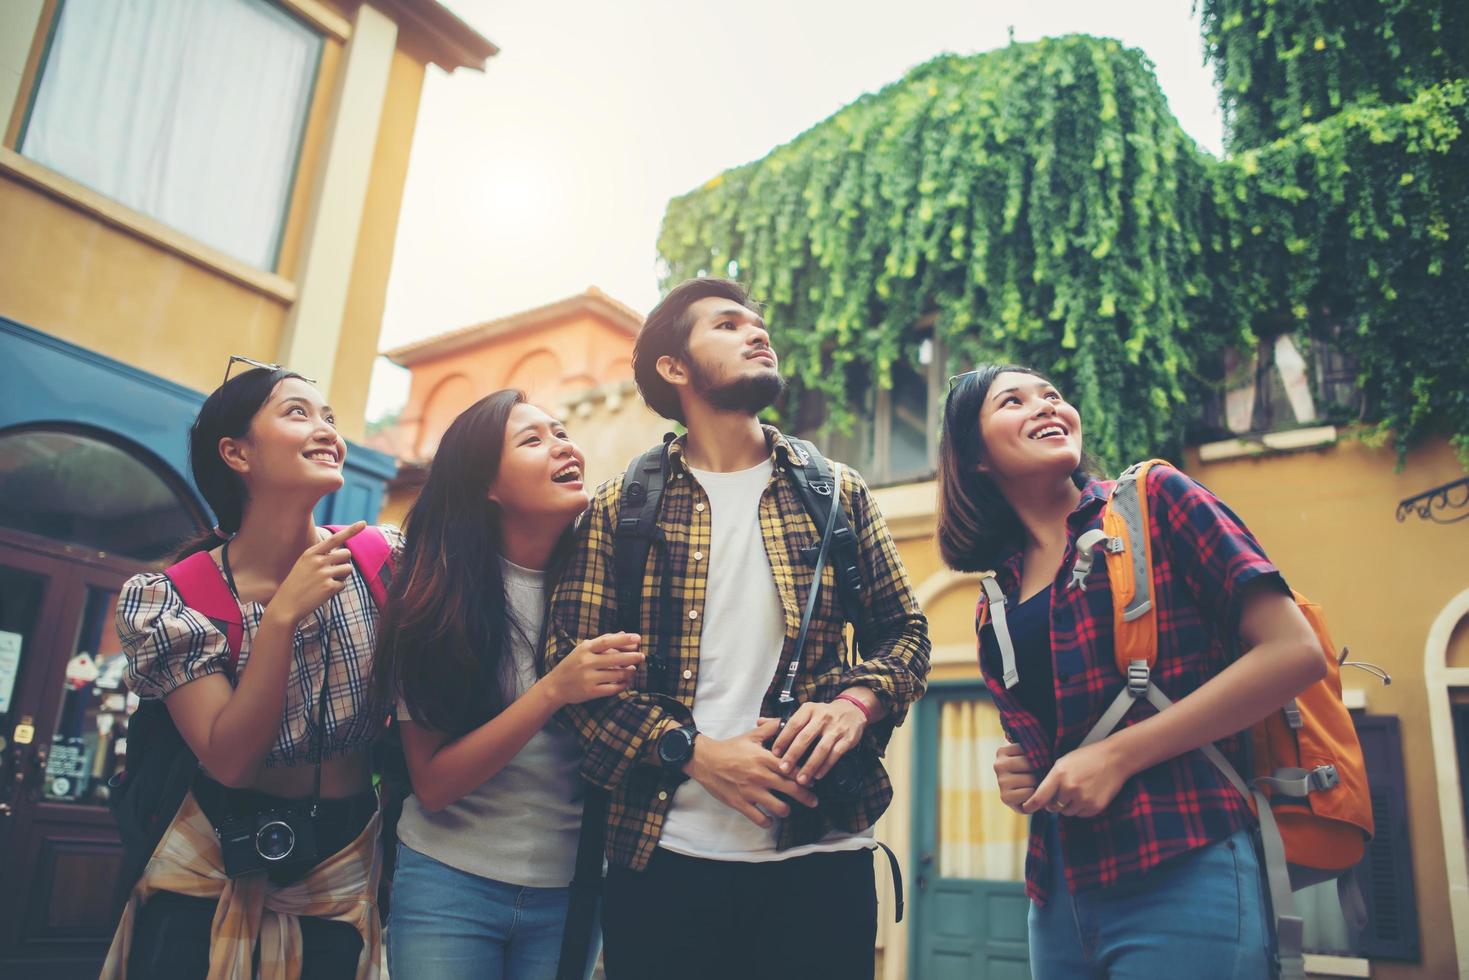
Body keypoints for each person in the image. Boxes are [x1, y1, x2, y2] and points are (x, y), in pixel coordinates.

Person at [546, 278, 931, 980]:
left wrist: (856, 703)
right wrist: (689, 752)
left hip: (823, 856)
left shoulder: (834, 491)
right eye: (727, 325)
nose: (757, 332)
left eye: (758, 323)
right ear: (674, 367)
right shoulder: (620, 509)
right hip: (664, 862)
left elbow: (904, 633)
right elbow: (572, 676)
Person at [935, 363, 1328, 978]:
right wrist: (1025, 775)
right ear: (975, 457)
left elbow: (1294, 652)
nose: (1045, 406)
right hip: (1057, 892)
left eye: (1053, 395)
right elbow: (1061, 743)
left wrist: (1116, 757)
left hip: (1185, 860)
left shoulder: (1156, 500)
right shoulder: (995, 601)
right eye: (1012, 401)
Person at [105, 363, 396, 977]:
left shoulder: (381, 558)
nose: (326, 431)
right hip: (208, 863)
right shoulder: (171, 597)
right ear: (236, 453)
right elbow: (229, 761)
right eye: (297, 413)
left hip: (345, 869)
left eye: (330, 418)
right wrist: (283, 615)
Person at [372, 390, 641, 980]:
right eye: (533, 439)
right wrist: (552, 690)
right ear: (486, 485)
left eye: (562, 432)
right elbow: (434, 784)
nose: (563, 446)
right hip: (448, 885)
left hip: (571, 893)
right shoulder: (435, 598)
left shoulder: (609, 585)